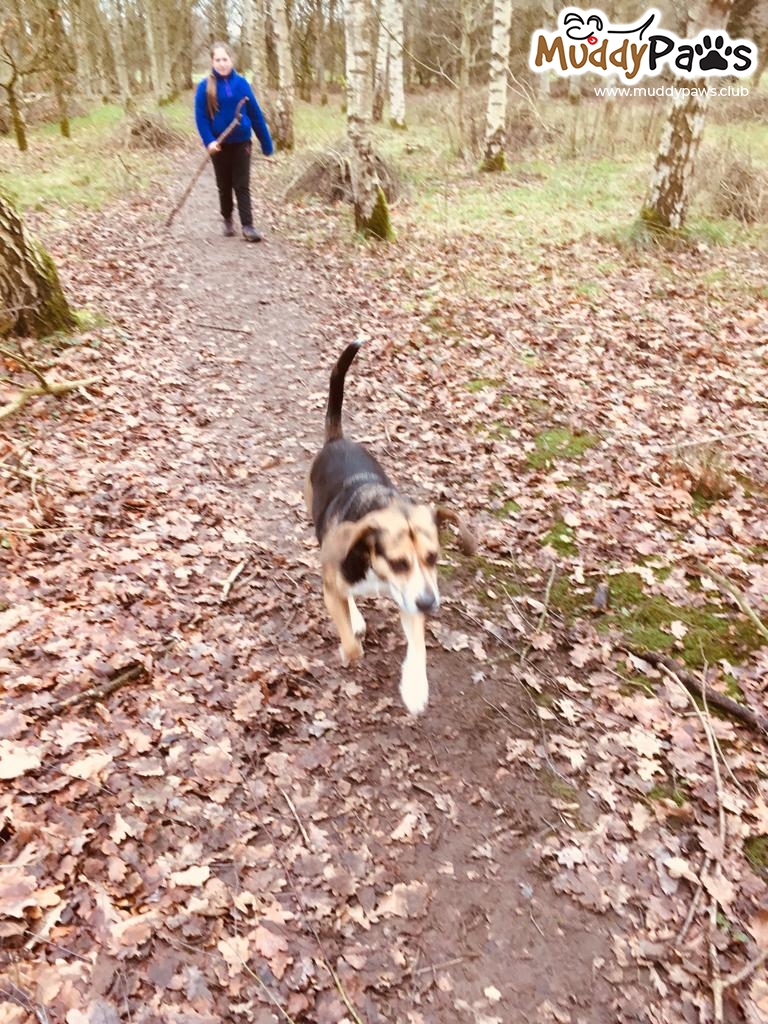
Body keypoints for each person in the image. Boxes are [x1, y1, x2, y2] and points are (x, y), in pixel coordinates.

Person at [194, 42, 274, 242]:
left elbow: (255, 114)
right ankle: (227, 218)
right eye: (218, 60)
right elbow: (201, 118)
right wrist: (209, 141)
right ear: (212, 62)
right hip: (219, 145)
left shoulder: (242, 84)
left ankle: (248, 226)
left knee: (242, 184)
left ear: (232, 60)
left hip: (242, 143)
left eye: (225, 59)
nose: (222, 64)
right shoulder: (205, 87)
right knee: (224, 185)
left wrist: (266, 143)